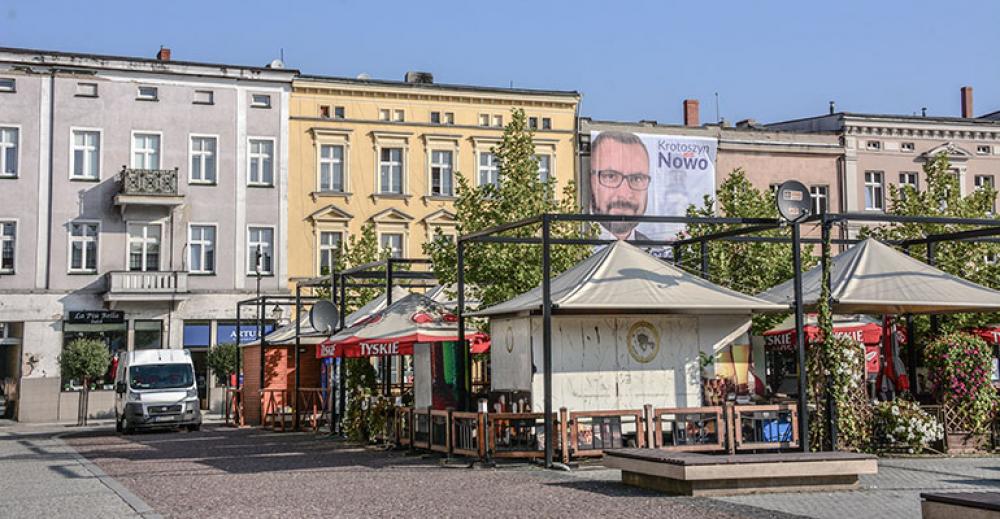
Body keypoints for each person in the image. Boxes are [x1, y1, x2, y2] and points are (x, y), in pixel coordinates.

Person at [589, 131, 652, 240]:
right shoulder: (578, 248)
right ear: (590, 180)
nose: (624, 194)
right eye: (610, 177)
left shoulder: (658, 250)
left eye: (637, 178)